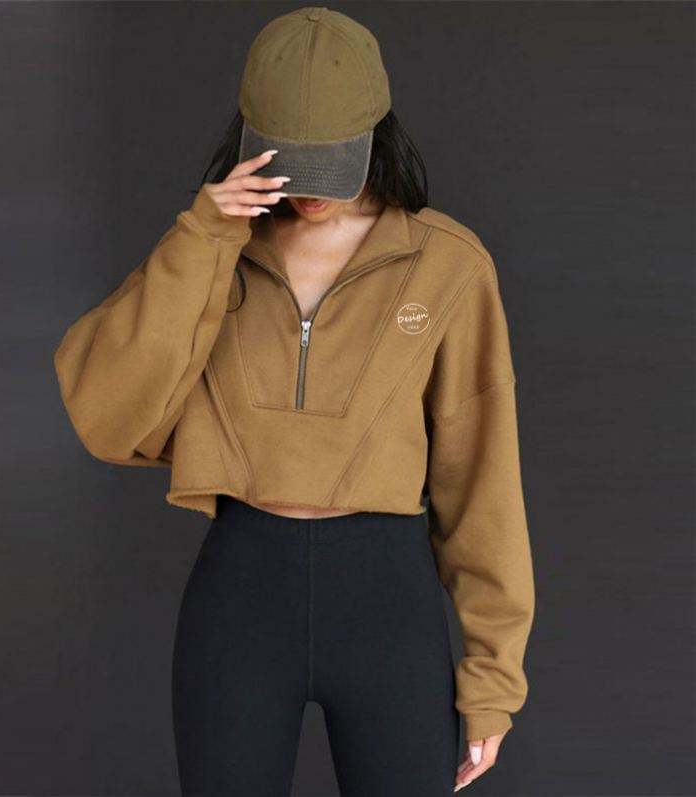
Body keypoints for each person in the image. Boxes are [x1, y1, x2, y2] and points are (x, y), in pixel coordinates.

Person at [53, 6, 535, 796]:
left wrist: (493, 679)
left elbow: (482, 480)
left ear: (375, 134)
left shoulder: (445, 263)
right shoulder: (212, 252)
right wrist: (201, 236)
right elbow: (105, 416)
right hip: (241, 592)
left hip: (387, 601)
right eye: (291, 160)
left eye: (330, 163)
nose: (310, 191)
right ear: (251, 135)